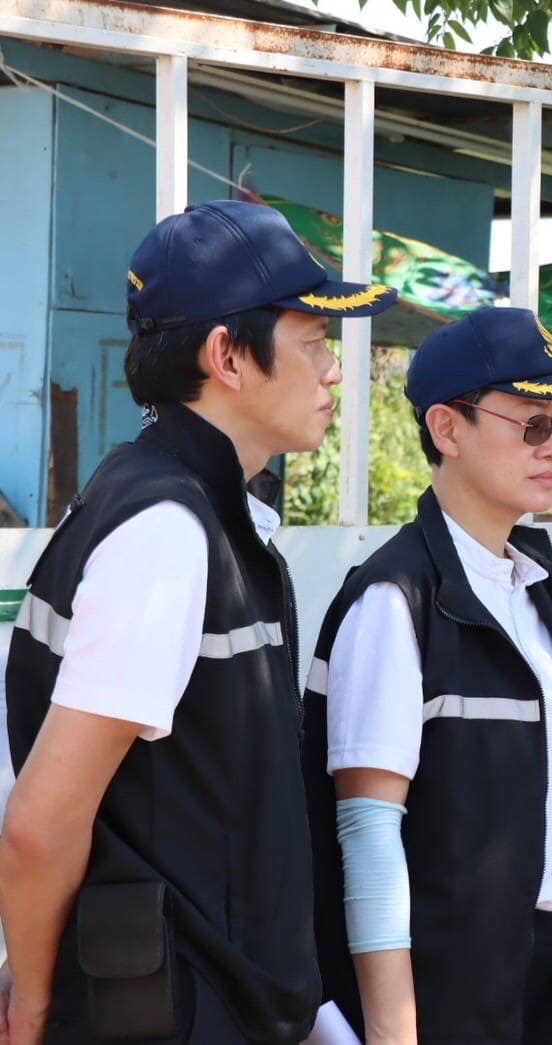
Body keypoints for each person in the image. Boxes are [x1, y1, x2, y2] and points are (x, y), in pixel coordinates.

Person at [0, 199, 396, 1043]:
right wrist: (31, 1004)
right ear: (227, 356)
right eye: (314, 342)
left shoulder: (194, 511)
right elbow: (40, 825)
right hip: (164, 1012)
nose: (334, 371)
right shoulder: (166, 534)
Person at [299, 307, 552, 1045]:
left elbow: (549, 803)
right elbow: (368, 831)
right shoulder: (396, 599)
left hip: (532, 973)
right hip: (436, 987)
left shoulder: (534, 578)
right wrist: (392, 1029)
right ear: (446, 429)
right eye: (532, 425)